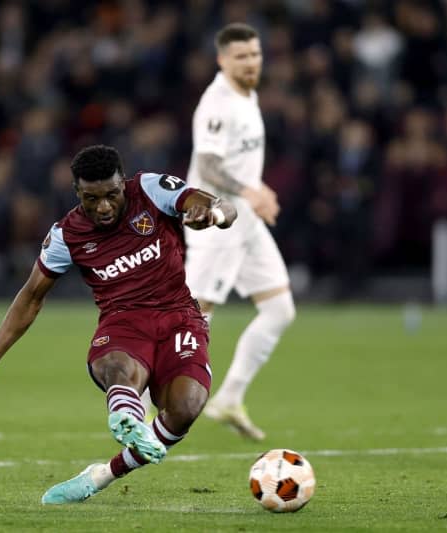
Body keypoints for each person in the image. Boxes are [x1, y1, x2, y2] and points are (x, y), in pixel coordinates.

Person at [0, 144, 236, 504]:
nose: (103, 206)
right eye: (91, 198)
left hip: (180, 317)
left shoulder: (150, 189)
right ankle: (127, 415)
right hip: (123, 324)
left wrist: (213, 214)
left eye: (111, 195)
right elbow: (30, 298)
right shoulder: (66, 235)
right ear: (77, 193)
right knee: (117, 367)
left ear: (124, 184)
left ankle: (102, 475)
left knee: (186, 408)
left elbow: (225, 206)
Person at [184, 23, 296, 441]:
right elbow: (209, 165)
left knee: (280, 309)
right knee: (194, 317)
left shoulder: (247, 95)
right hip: (216, 221)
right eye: (242, 57)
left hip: (245, 221)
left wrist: (255, 191)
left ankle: (229, 398)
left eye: (255, 54)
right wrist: (252, 189)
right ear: (222, 60)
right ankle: (138, 403)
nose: (251, 62)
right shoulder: (218, 103)